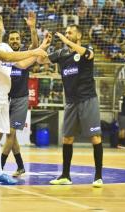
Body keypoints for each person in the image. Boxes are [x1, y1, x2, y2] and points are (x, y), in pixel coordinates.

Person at [0, 12, 48, 186]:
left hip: (2, 96)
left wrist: (40, 47)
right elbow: (7, 58)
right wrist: (34, 50)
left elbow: (22, 64)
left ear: (3, 27)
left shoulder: (5, 45)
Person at [38, 24, 103, 187]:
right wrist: (43, 46)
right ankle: (65, 175)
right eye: (66, 33)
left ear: (78, 36)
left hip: (88, 99)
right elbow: (40, 60)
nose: (66, 35)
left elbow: (88, 54)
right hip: (71, 102)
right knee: (67, 138)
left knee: (95, 138)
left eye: (70, 33)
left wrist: (67, 41)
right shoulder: (61, 53)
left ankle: (98, 176)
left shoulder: (86, 49)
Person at [1, 11, 39, 177]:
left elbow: (36, 47)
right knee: (12, 135)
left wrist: (33, 28)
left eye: (17, 39)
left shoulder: (24, 54)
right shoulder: (3, 56)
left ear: (20, 41)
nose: (15, 41)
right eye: (12, 39)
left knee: (10, 133)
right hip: (5, 99)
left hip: (20, 100)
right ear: (8, 42)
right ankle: (21, 166)